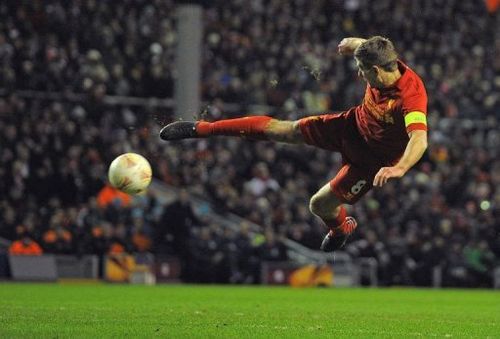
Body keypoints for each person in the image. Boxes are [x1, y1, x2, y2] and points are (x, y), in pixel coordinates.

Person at [160, 36, 428, 253]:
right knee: (285, 130)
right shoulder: (382, 58)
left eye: (362, 71)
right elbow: (365, 46)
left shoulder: (411, 97)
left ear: (377, 71)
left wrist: (400, 168)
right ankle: (200, 129)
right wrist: (352, 43)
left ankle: (339, 229)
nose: (359, 76)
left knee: (319, 205)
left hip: (372, 160)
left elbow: (419, 138)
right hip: (351, 126)